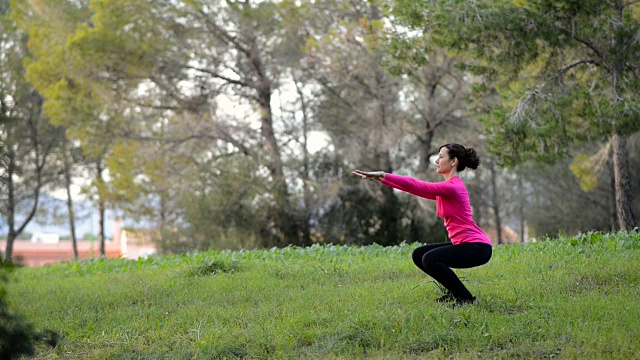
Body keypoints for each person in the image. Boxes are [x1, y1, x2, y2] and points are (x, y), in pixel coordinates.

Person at [352, 143, 492, 306]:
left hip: (477, 247)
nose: (437, 161)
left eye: (441, 157)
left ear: (453, 162)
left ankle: (465, 298)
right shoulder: (447, 189)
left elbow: (416, 184)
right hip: (466, 244)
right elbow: (416, 190)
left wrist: (384, 174)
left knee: (430, 259)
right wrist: (383, 179)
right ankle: (455, 293)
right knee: (419, 254)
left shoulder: (453, 187)